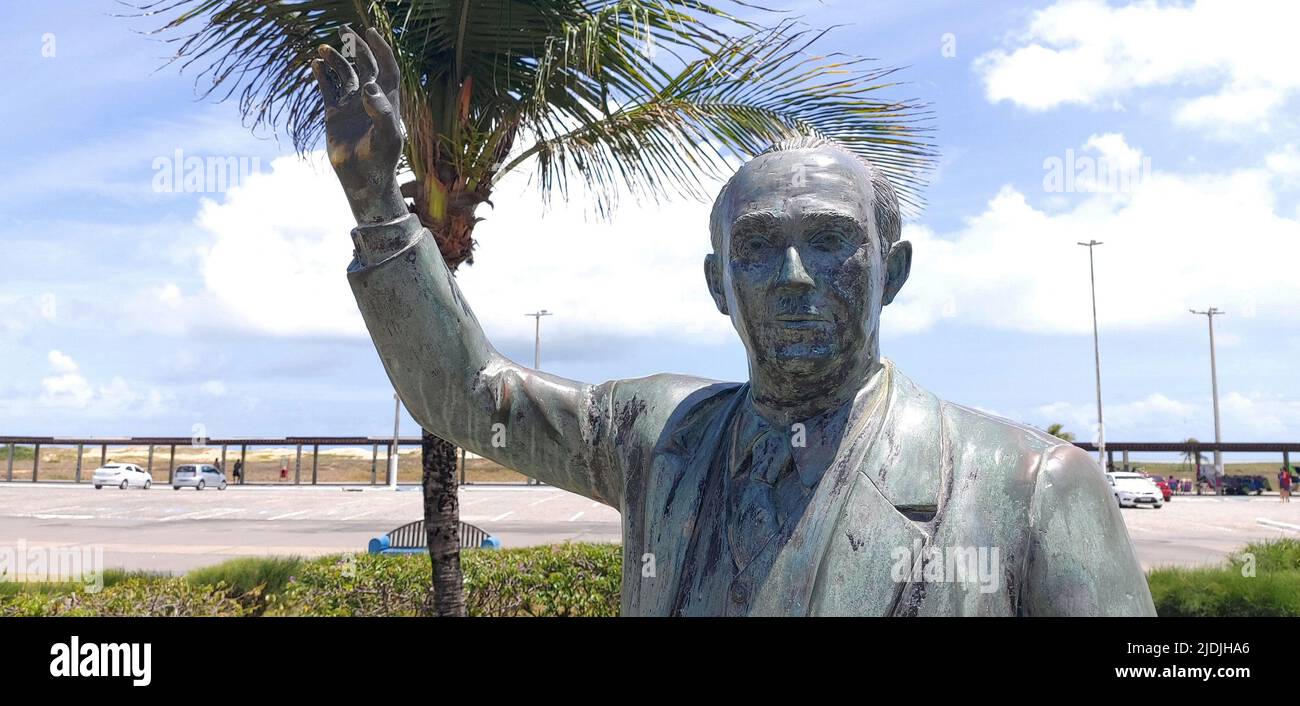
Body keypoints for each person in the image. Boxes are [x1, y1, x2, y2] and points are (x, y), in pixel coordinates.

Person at [316, 28, 1154, 616]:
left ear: (891, 274)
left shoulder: (1034, 492)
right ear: (719, 284)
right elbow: (470, 397)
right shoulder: (657, 436)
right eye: (758, 248)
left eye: (830, 242)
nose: (793, 278)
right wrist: (378, 204)